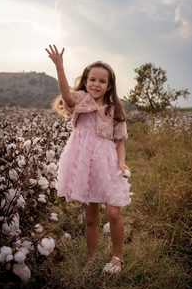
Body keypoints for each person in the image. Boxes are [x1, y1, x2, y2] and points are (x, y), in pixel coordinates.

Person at [45, 45, 131, 273]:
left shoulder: (115, 109)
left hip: (107, 163)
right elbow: (65, 95)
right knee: (91, 217)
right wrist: (59, 67)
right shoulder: (80, 100)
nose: (96, 84)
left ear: (109, 86)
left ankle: (117, 257)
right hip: (84, 164)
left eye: (102, 81)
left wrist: (121, 163)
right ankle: (91, 259)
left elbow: (119, 141)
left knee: (113, 212)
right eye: (92, 79)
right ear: (85, 81)